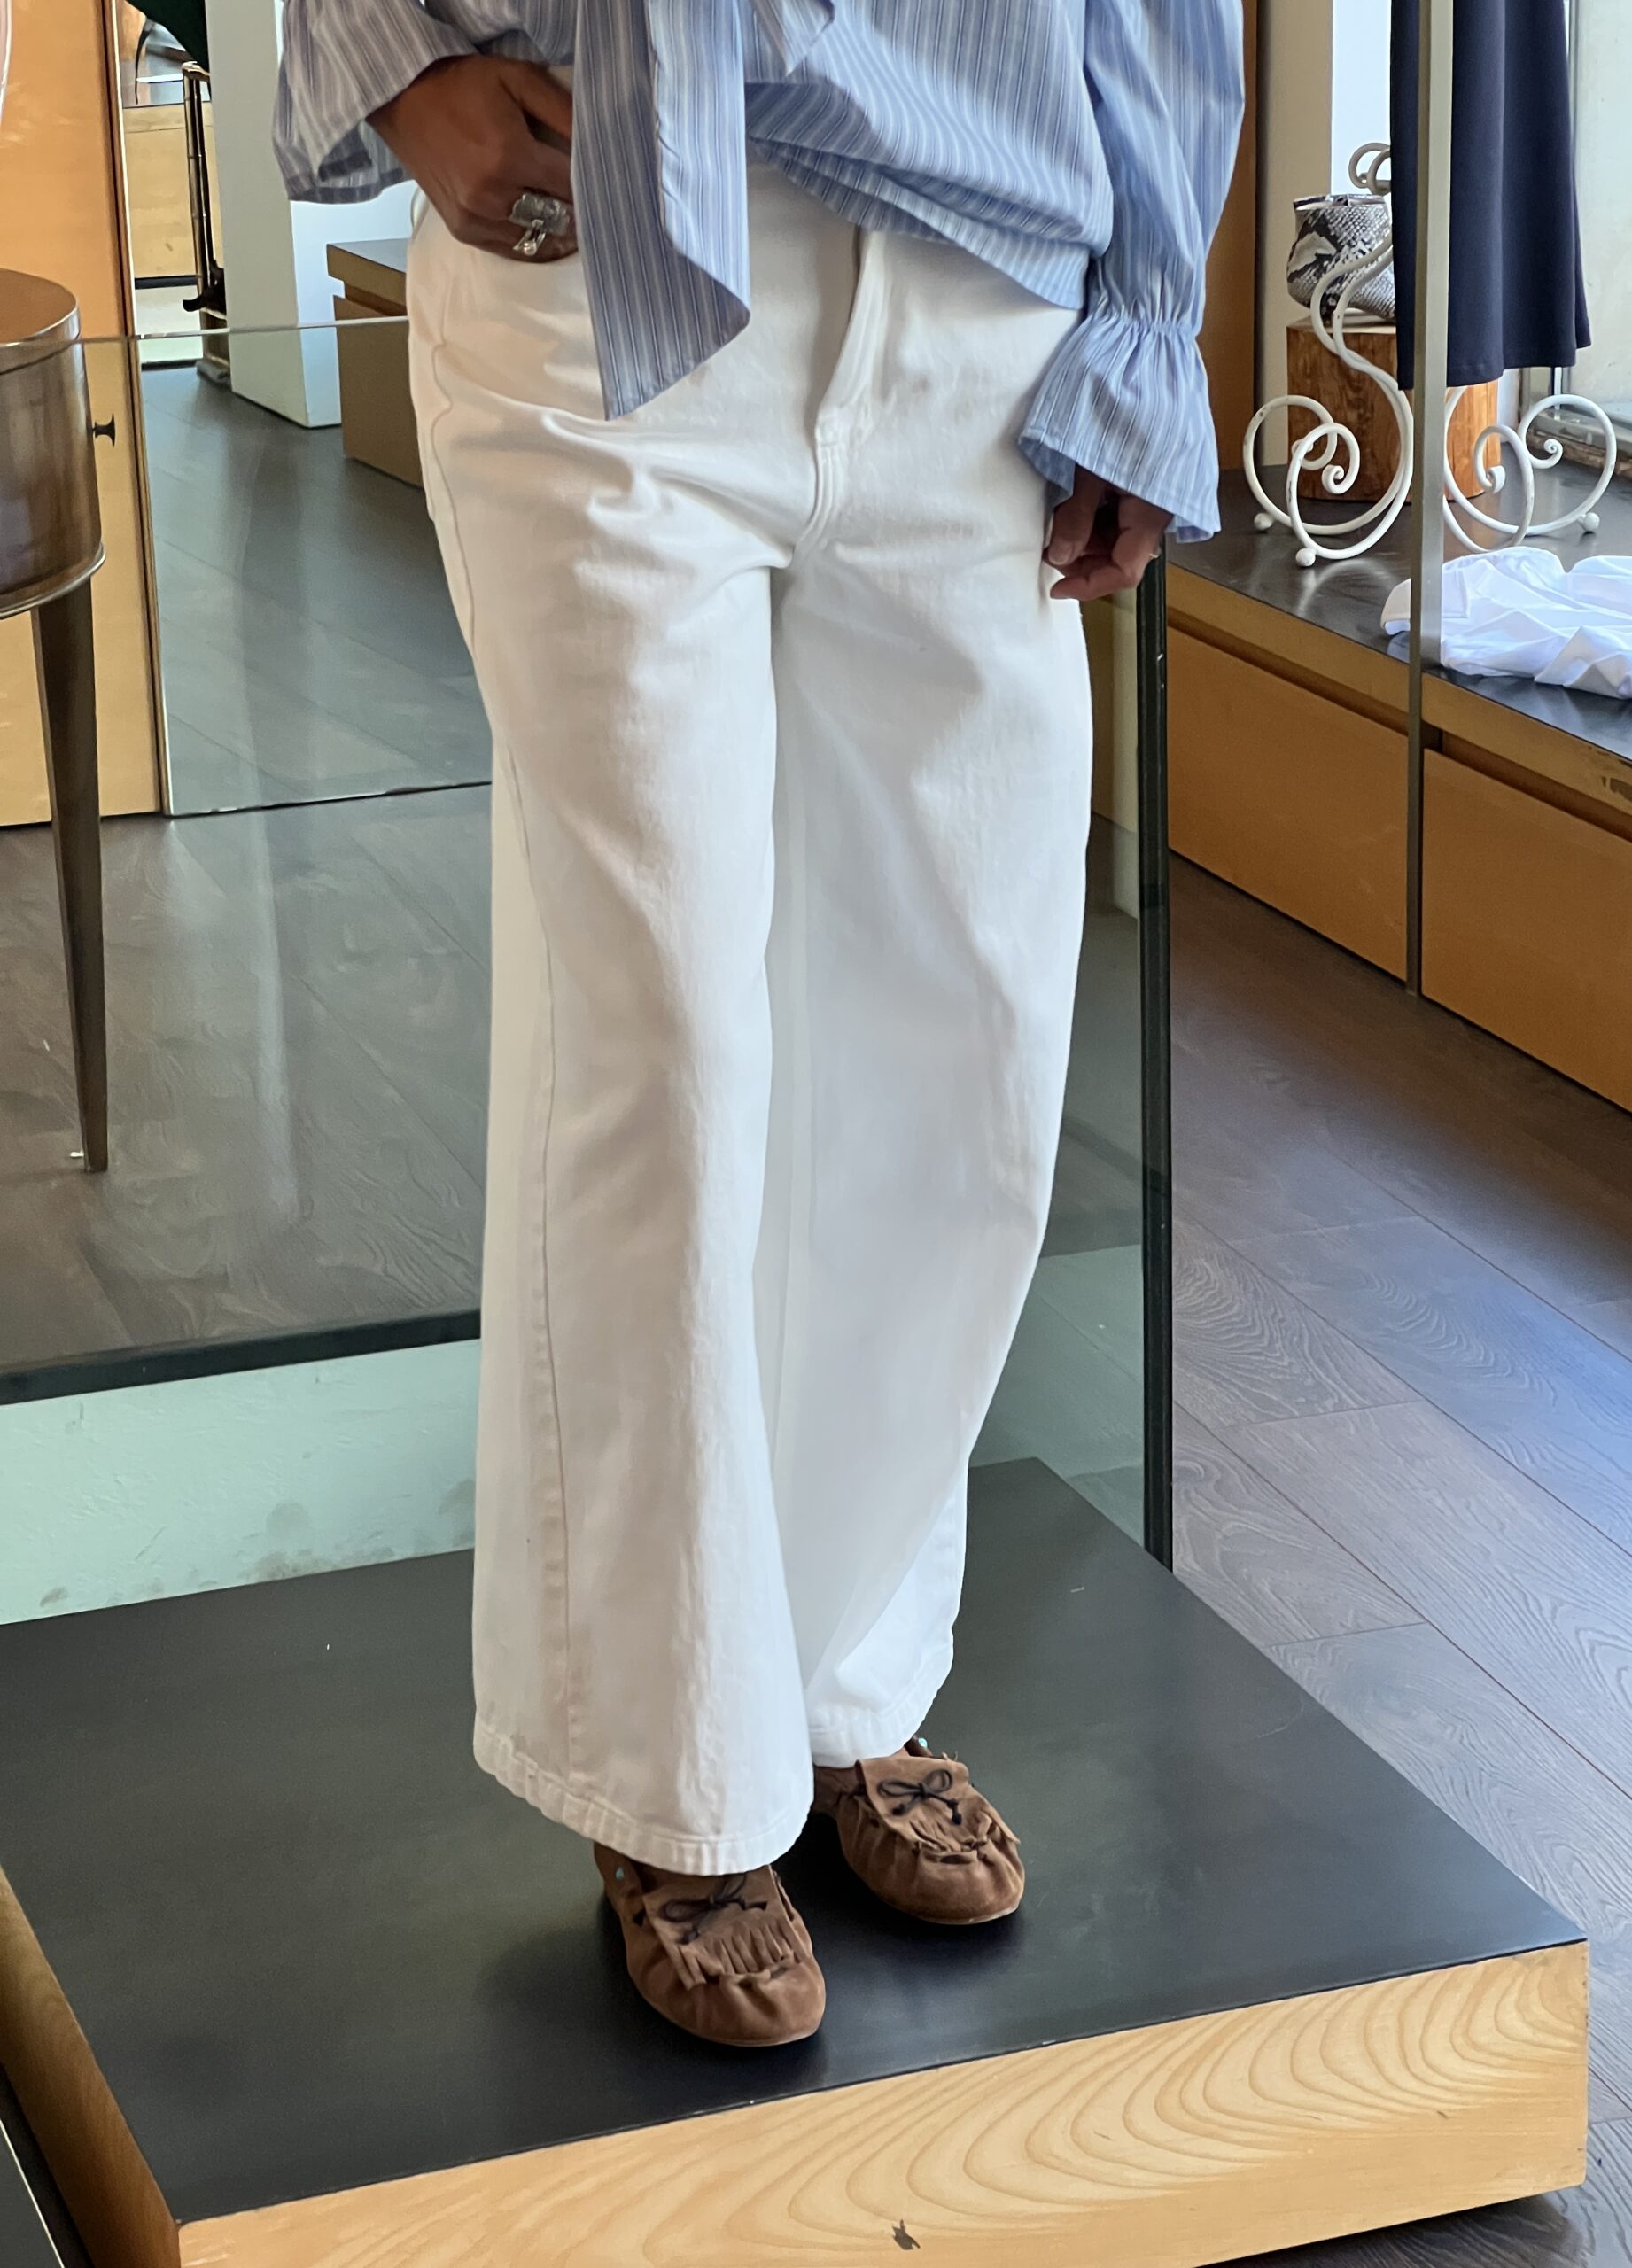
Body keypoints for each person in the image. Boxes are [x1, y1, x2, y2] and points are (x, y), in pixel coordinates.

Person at [276, 0, 1242, 2049]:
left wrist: (1151, 308)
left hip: (988, 264)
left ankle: (837, 1681)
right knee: (666, 1056)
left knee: (969, 1054)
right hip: (599, 234)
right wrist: (384, 53)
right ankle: (673, 1769)